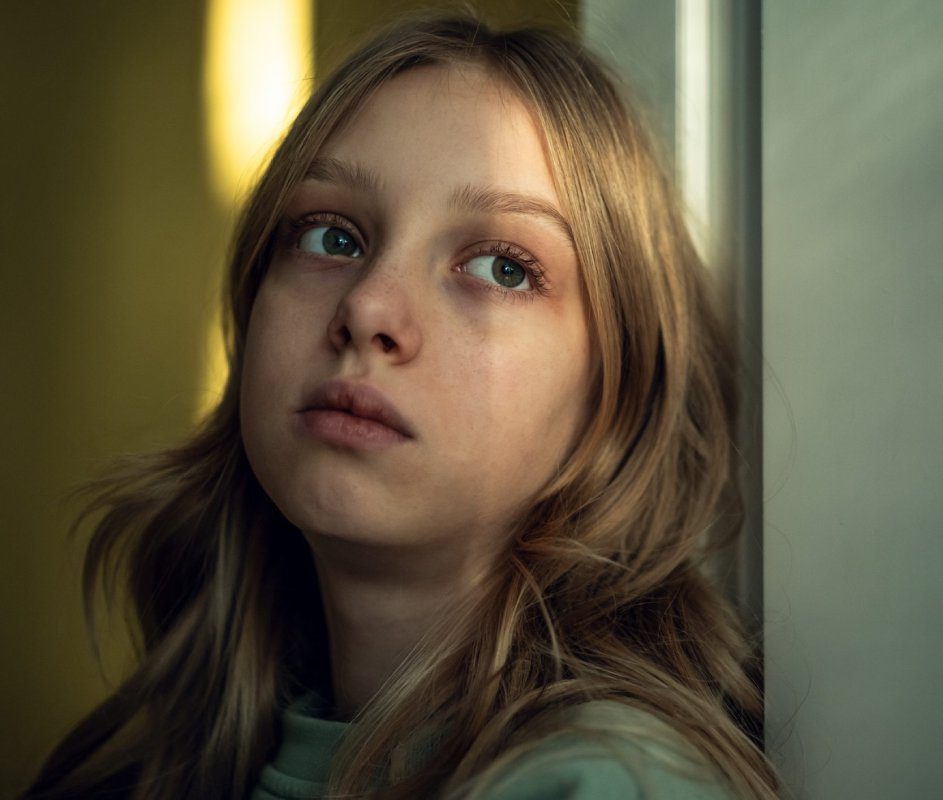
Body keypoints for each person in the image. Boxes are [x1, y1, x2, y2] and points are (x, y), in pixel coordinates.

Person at [24, 12, 779, 800]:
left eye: (501, 267)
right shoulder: (153, 765)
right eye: (331, 236)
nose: (368, 308)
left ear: (619, 393)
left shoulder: (605, 785)